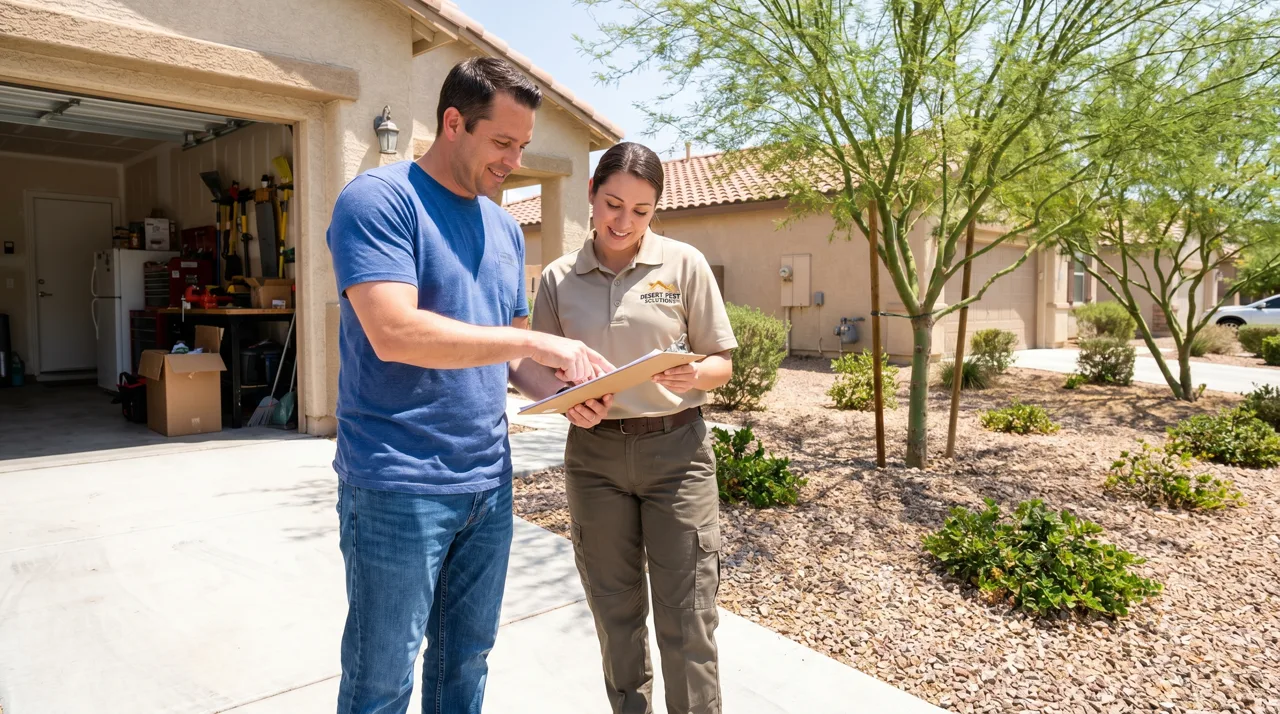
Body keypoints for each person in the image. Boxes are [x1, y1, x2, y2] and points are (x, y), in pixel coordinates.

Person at [325, 57, 612, 714]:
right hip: (397, 484)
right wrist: (533, 340)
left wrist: (566, 394)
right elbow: (392, 331)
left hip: (486, 484)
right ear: (453, 122)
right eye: (502, 142)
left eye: (523, 145)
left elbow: (512, 360)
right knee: (381, 681)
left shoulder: (505, 228)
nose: (514, 160)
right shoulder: (378, 201)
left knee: (466, 666)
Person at [532, 142, 738, 714]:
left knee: (688, 613)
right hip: (594, 459)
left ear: (656, 211)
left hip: (678, 453)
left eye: (642, 211)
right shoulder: (557, 277)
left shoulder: (684, 264)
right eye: (613, 204)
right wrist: (560, 400)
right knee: (614, 611)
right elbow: (540, 371)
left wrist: (696, 370)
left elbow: (721, 361)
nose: (624, 222)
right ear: (592, 194)